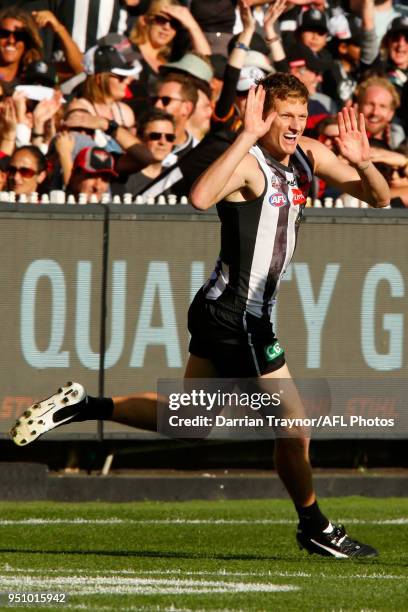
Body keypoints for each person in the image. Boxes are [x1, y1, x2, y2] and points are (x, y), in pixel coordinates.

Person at [10, 73, 389, 559]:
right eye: (283, 116)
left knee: (190, 419)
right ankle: (314, 526)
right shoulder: (249, 162)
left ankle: (86, 407)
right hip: (238, 315)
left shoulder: (307, 153)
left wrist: (364, 161)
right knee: (294, 426)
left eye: (300, 115)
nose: (294, 125)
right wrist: (247, 136)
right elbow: (200, 196)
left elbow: (378, 197)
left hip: (228, 311)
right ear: (262, 116)